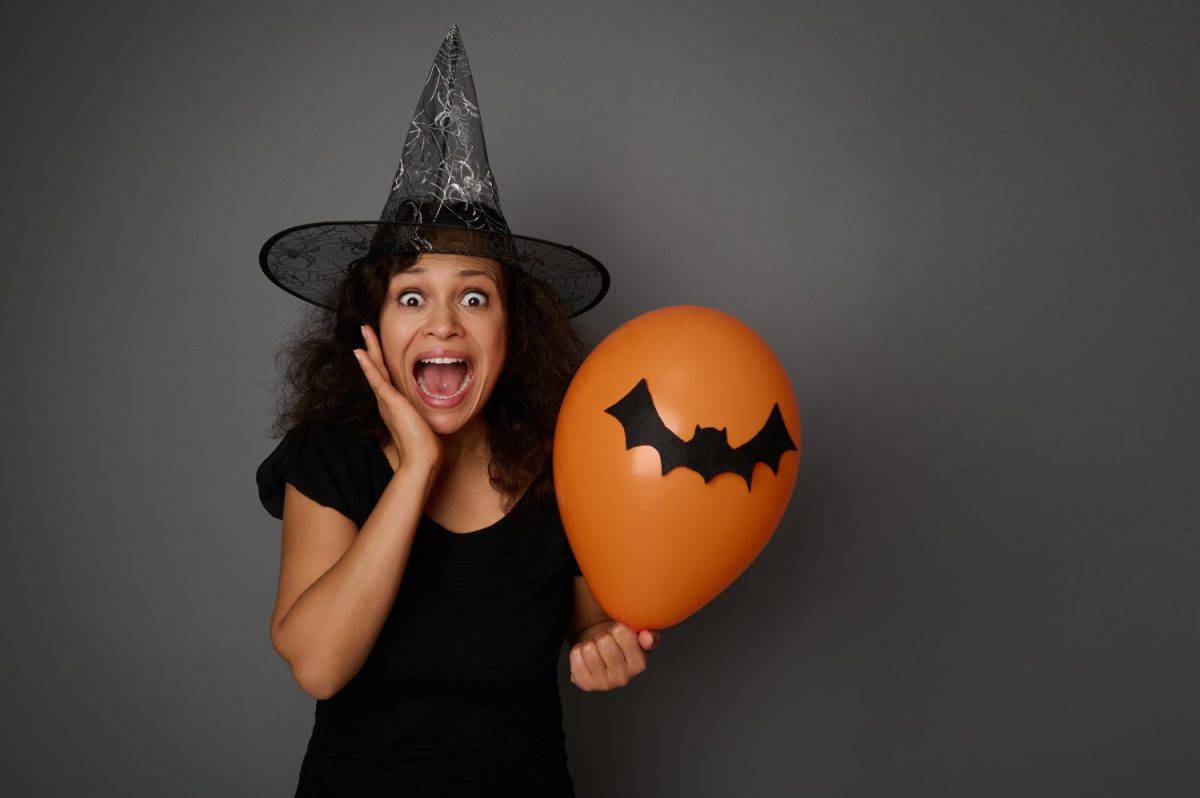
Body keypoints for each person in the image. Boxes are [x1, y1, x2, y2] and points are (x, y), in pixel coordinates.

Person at [254, 25, 660, 796]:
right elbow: (318, 664)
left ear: (514, 331)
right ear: (372, 326)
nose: (443, 324)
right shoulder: (329, 458)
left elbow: (591, 624)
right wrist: (416, 471)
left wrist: (606, 644)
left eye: (474, 297)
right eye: (412, 296)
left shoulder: (565, 461)